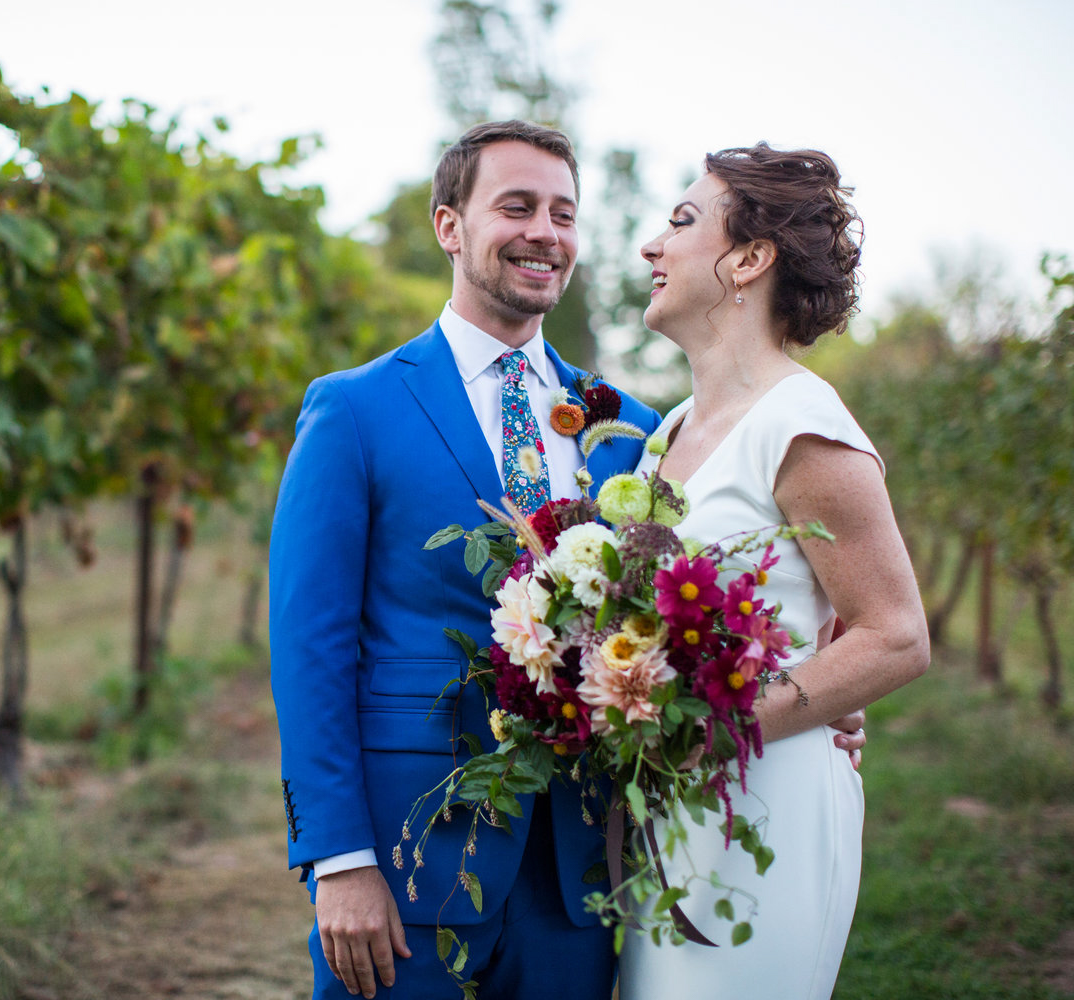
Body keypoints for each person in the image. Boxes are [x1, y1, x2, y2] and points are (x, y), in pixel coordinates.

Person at [270, 122, 868, 1000]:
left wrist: (815, 699)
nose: (544, 233)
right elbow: (308, 649)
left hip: (586, 872)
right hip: (410, 866)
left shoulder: (632, 427)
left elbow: (689, 610)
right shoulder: (354, 410)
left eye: (564, 213)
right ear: (449, 226)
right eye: (515, 207)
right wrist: (339, 858)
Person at [618, 144, 930, 1000]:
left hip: (766, 803)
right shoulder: (668, 429)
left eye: (682, 223)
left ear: (750, 259)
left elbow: (896, 636)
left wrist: (709, 733)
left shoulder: (803, 424)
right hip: (665, 813)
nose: (653, 246)